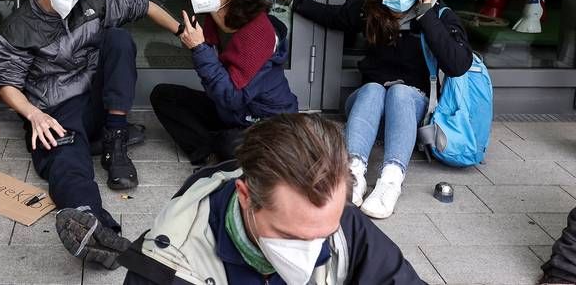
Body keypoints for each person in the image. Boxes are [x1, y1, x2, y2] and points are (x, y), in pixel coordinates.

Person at [56, 114, 424, 283]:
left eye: (324, 232)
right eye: (291, 235)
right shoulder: (165, 268)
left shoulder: (338, 223)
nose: (314, 250)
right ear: (245, 196)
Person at [255, 0, 472, 219]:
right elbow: (331, 15)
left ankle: (391, 180)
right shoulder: (368, 9)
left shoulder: (438, 16)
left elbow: (458, 65)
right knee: (372, 88)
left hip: (409, 110)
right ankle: (352, 173)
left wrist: (426, 14)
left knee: (400, 93)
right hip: (367, 112)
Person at [0, 0, 181, 250]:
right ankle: (89, 222)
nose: (72, 1)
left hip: (96, 101)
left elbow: (143, 4)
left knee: (119, 39)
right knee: (66, 159)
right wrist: (34, 115)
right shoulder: (18, 27)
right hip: (55, 107)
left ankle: (114, 142)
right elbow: (7, 83)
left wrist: (182, 31)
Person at [151, 0, 298, 166]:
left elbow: (232, 96)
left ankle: (220, 149)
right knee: (164, 96)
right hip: (232, 112)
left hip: (267, 119)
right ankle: (211, 153)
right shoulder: (214, 18)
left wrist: (200, 48)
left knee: (228, 144)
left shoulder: (259, 32)